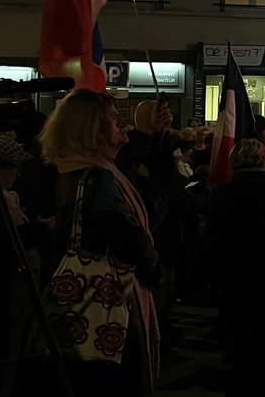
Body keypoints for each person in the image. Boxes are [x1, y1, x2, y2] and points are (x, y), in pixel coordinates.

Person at [42, 90, 162, 395]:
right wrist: (153, 266)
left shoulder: (68, 169)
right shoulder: (99, 177)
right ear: (93, 127)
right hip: (110, 297)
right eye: (112, 117)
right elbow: (126, 236)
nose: (120, 125)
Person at [208, 138, 265, 397]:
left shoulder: (223, 194)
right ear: (264, 160)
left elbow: (214, 238)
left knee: (239, 339)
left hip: (235, 278)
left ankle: (238, 384)